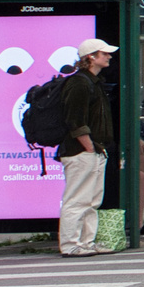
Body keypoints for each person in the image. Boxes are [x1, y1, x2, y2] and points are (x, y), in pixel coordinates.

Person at [56, 38, 117, 257]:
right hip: (81, 152)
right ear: (91, 56)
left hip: (93, 150)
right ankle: (71, 243)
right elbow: (75, 121)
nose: (109, 56)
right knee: (77, 199)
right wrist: (89, 147)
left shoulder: (91, 81)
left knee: (91, 200)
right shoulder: (80, 83)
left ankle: (86, 242)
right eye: (104, 53)